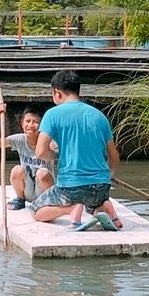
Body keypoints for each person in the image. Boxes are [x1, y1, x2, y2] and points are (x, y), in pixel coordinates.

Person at [30, 69, 123, 231]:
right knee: (93, 210)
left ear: (57, 93)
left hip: (71, 187)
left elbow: (40, 152)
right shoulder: (99, 116)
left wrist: (57, 155)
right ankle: (104, 205)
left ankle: (71, 209)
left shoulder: (52, 115)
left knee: (35, 211)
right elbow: (113, 156)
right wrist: (109, 176)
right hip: (101, 186)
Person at [0, 102, 54, 210]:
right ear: (22, 123)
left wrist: (54, 150)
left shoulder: (48, 141)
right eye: (28, 121)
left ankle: (47, 202)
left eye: (36, 122)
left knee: (42, 173)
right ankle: (20, 199)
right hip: (28, 188)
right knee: (17, 170)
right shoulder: (19, 140)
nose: (31, 125)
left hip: (44, 189)